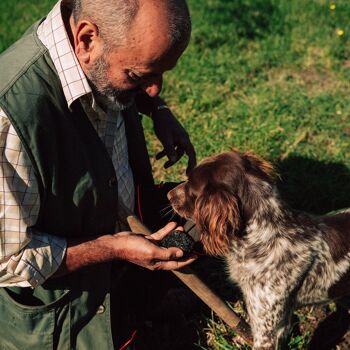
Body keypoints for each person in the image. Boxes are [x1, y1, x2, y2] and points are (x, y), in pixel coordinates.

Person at [0, 0, 197, 348]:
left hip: (118, 226)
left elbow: (133, 65)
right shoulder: (10, 121)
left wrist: (158, 109)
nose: (156, 88)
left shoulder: (93, 43)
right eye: (139, 76)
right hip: (56, 311)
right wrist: (112, 249)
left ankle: (138, 299)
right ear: (87, 39)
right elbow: (9, 261)